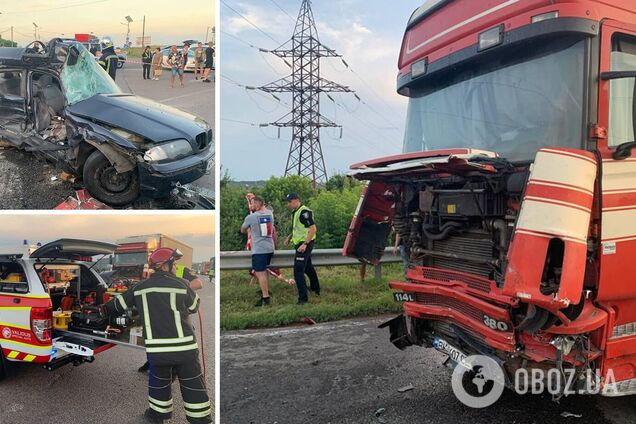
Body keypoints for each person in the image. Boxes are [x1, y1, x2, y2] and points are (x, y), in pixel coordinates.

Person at [104, 248, 211, 424]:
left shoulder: (140, 288)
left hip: (158, 350)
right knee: (193, 385)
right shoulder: (182, 284)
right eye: (173, 263)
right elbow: (193, 307)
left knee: (159, 383)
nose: (176, 266)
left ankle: (157, 416)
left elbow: (116, 305)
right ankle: (201, 419)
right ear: (164, 265)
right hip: (185, 348)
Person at [284, 193, 320, 304]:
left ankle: (303, 299)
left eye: (290, 202)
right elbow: (298, 228)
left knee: (298, 271)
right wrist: (290, 237)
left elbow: (313, 229)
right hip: (300, 243)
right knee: (308, 267)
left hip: (305, 244)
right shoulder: (296, 211)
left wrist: (305, 244)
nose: (288, 204)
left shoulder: (304, 212)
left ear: (296, 200)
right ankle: (315, 289)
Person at [241, 196, 276, 307]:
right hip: (270, 247)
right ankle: (265, 290)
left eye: (252, 204)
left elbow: (242, 229)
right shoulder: (270, 213)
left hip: (259, 249)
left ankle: (265, 298)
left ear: (257, 204)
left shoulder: (251, 217)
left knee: (260, 273)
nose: (251, 206)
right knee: (265, 271)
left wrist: (250, 228)